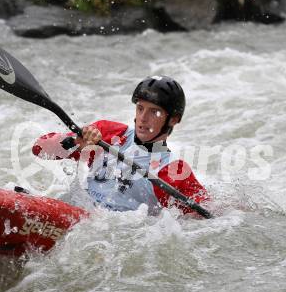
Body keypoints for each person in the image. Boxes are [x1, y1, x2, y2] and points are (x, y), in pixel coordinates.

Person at [32, 76, 209, 216]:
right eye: (140, 108)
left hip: (105, 234)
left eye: (154, 112)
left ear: (173, 120)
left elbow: (210, 217)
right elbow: (39, 148)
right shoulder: (107, 133)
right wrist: (78, 143)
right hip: (72, 210)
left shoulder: (172, 172)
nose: (143, 118)